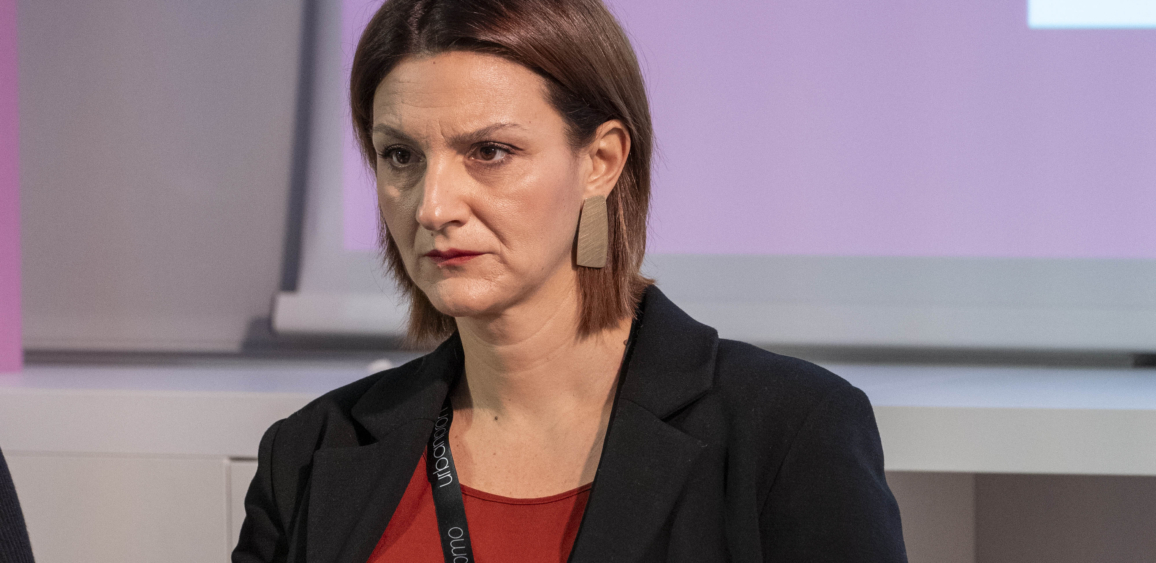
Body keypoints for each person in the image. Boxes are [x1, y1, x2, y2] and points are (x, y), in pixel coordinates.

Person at [233, 0, 907, 561]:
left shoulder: (789, 432)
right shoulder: (311, 451)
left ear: (601, 161)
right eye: (400, 155)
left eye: (489, 151)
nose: (433, 206)